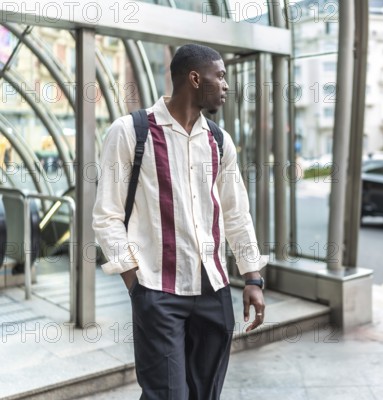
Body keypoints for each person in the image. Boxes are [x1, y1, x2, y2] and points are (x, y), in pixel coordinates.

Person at [92, 44, 267, 399]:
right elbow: (106, 215)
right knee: (167, 394)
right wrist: (136, 284)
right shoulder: (130, 132)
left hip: (214, 291)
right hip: (157, 291)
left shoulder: (219, 141)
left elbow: (236, 214)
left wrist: (252, 277)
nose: (225, 85)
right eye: (219, 76)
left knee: (204, 393)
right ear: (194, 78)